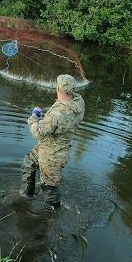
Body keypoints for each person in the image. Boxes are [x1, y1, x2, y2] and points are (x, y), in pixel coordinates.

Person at [19, 74, 85, 209]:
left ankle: (54, 213)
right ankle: (26, 196)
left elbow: (37, 133)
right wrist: (46, 120)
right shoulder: (79, 102)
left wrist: (33, 117)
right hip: (51, 147)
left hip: (52, 156)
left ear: (58, 88)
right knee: (29, 162)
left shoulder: (57, 115)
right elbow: (55, 122)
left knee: (49, 187)